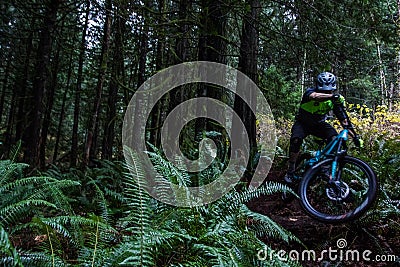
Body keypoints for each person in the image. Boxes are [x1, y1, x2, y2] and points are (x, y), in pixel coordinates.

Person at [284, 71, 361, 184]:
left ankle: (325, 167)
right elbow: (314, 96)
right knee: (296, 140)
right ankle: (291, 170)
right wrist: (332, 96)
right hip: (302, 123)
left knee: (334, 137)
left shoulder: (334, 101)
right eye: (324, 90)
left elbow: (344, 121)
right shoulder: (310, 92)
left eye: (329, 90)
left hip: (319, 124)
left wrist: (355, 137)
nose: (326, 92)